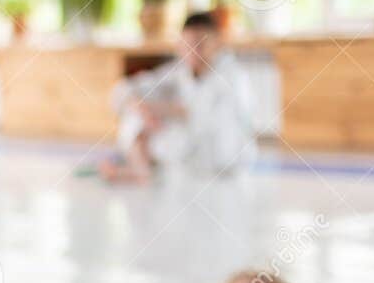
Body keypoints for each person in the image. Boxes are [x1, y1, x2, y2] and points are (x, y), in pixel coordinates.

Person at [98, 11, 256, 182]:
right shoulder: (180, 72)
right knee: (135, 116)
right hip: (186, 151)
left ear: (217, 42)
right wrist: (141, 106)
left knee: (157, 125)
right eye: (187, 45)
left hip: (220, 156)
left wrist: (165, 110)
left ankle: (140, 169)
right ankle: (140, 170)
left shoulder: (234, 77)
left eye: (200, 45)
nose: (193, 52)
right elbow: (126, 89)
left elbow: (205, 118)